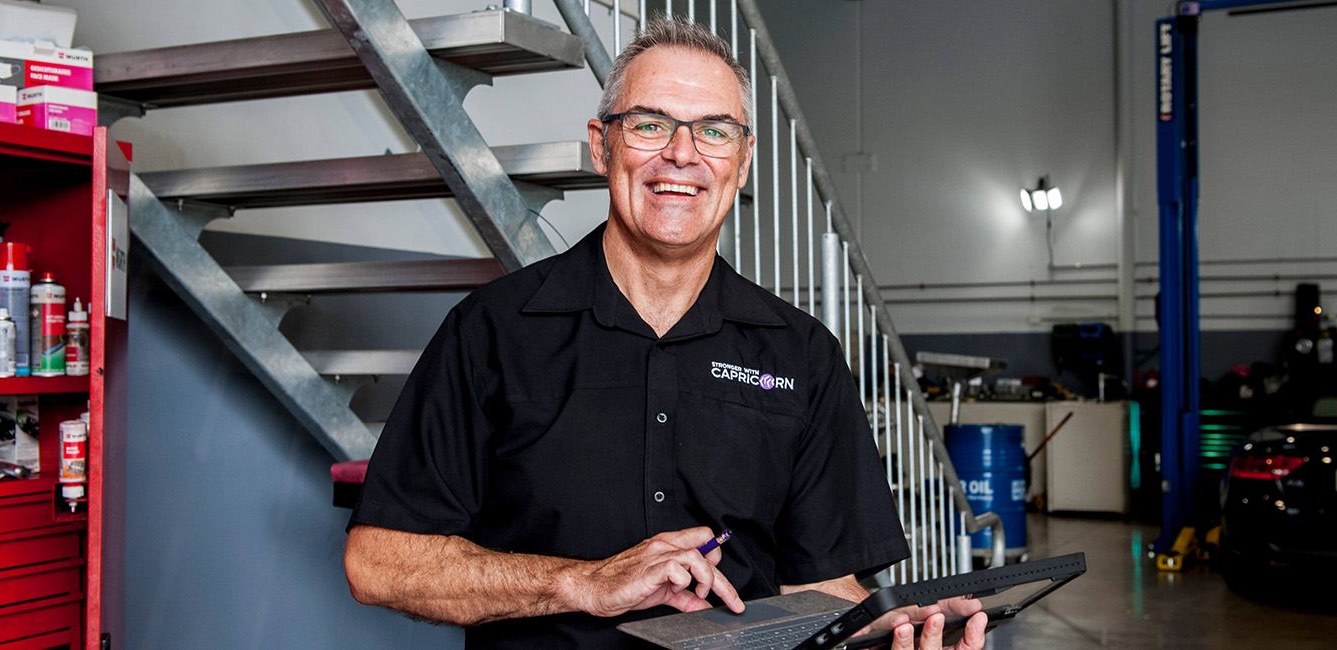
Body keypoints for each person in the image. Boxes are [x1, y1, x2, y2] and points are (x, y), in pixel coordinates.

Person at [344, 17, 988, 650]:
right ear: (602, 145)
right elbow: (378, 561)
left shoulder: (803, 353)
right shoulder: (491, 331)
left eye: (714, 131)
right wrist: (582, 582)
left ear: (742, 161)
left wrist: (902, 624)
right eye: (650, 125)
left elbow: (818, 587)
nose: (682, 154)